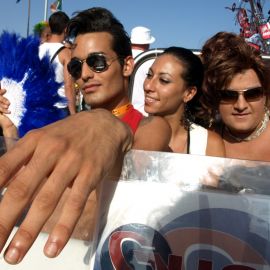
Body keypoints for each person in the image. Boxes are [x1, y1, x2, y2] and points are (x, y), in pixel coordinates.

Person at [0, 7, 170, 265]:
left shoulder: (150, 127)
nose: (85, 74)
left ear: (126, 65)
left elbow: (131, 174)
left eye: (97, 62)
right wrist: (9, 127)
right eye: (77, 66)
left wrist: (103, 119)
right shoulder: (68, 129)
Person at [200, 31, 270, 161]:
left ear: (265, 93)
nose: (241, 105)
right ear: (214, 98)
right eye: (228, 95)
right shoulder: (202, 142)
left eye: (252, 94)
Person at [144, 46, 225, 156]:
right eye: (149, 75)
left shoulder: (208, 144)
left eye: (164, 80)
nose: (148, 86)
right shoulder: (130, 131)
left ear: (189, 93)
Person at [39, 11, 76, 115]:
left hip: (39, 107)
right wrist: (74, 114)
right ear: (66, 29)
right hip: (59, 108)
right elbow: (69, 86)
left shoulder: (37, 49)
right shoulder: (66, 53)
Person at [130, 26, 156, 115]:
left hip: (119, 113)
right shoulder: (152, 61)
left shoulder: (120, 59)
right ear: (148, 44)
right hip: (143, 114)